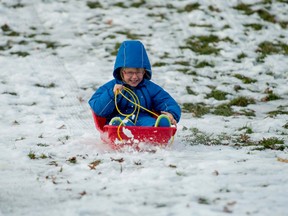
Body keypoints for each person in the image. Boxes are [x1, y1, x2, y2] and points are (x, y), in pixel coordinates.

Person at [89, 40, 181, 127]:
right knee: (122, 122)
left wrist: (171, 113)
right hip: (121, 118)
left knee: (150, 123)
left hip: (143, 118)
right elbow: (98, 109)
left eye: (138, 72)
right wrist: (112, 94)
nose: (134, 77)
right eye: (130, 72)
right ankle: (118, 128)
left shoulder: (149, 87)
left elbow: (166, 101)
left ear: (144, 72)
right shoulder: (112, 87)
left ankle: (158, 129)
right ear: (121, 71)